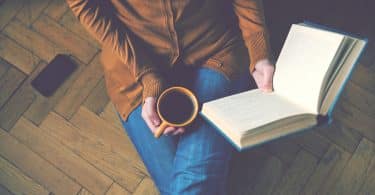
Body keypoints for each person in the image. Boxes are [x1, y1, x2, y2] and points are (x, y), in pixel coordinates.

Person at [67, 0, 275, 194]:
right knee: (189, 184)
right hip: (134, 64)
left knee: (192, 180)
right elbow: (84, 5)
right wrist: (146, 75)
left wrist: (259, 48)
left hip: (214, 48)